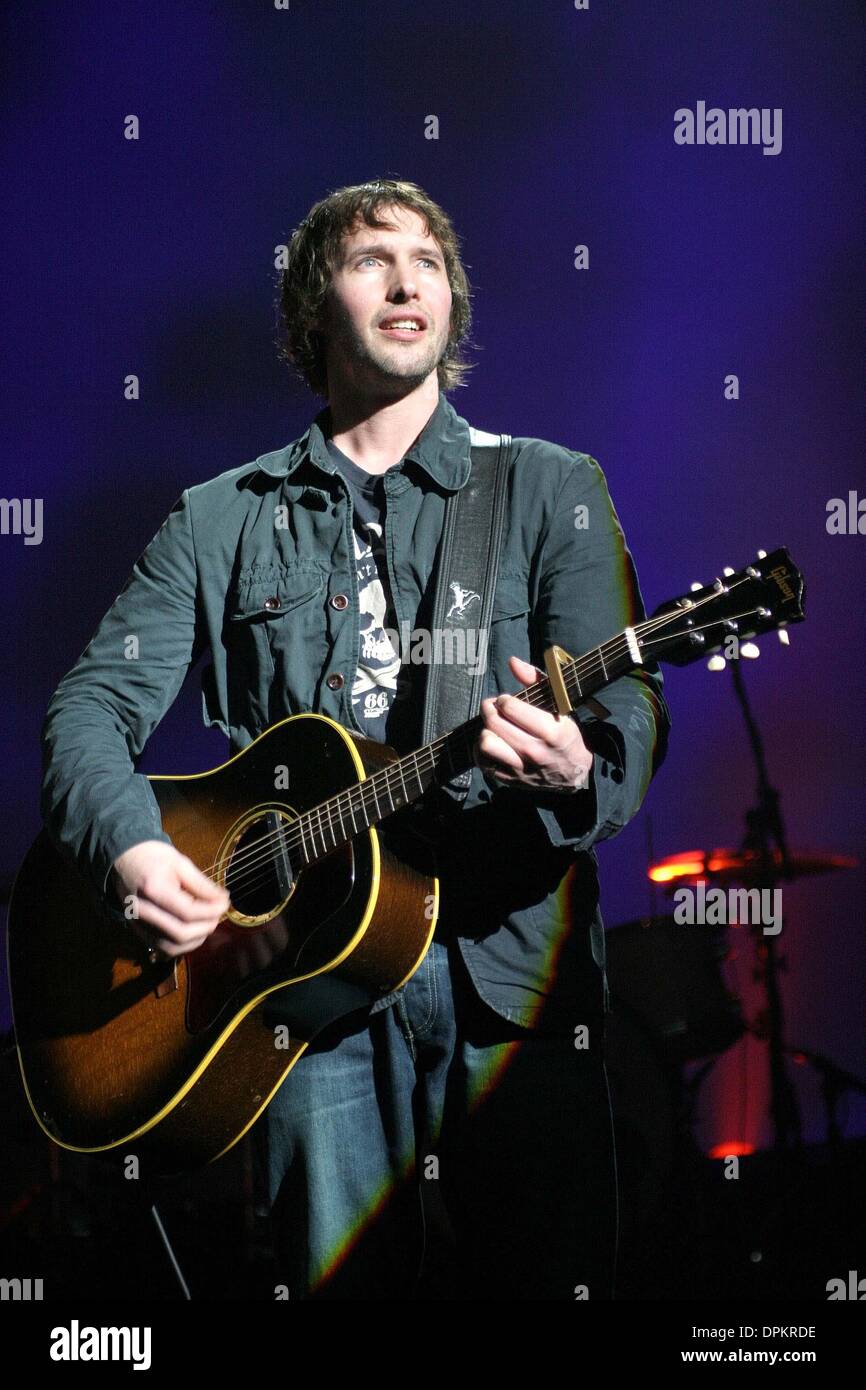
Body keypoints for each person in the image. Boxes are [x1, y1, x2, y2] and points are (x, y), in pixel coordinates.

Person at [40, 178, 670, 1300]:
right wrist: (135, 849)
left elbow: (625, 711)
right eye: (371, 257)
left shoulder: (546, 486)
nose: (406, 277)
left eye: (427, 260)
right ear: (310, 307)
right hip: (297, 1000)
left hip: (510, 979)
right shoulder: (216, 517)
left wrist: (582, 770)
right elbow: (88, 710)